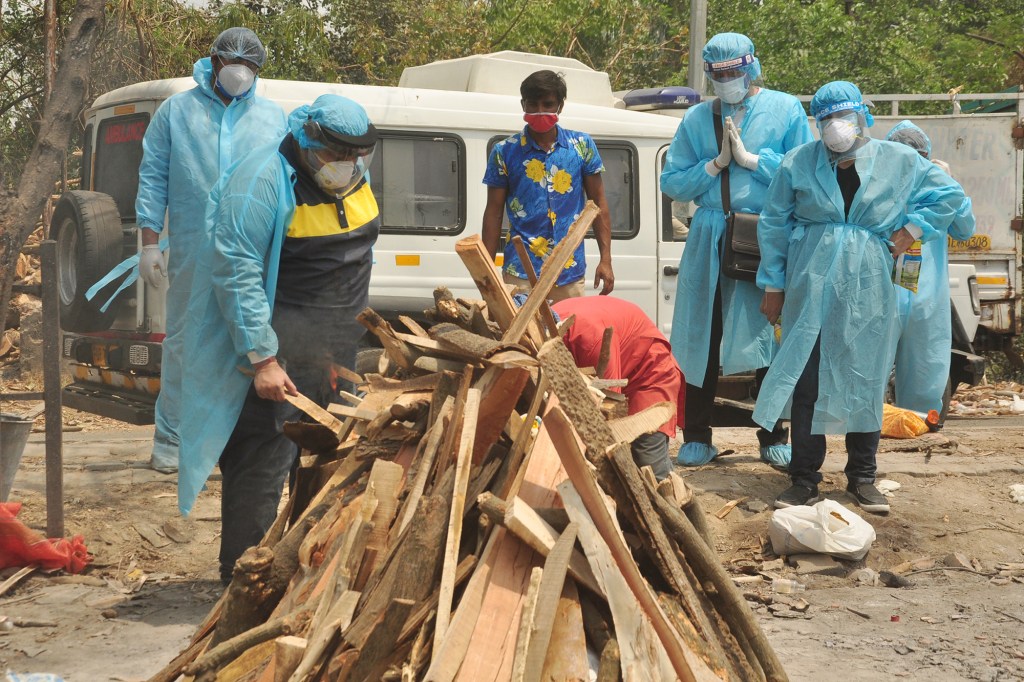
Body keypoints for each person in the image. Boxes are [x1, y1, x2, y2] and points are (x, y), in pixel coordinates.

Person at [175, 95, 380, 584]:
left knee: (327, 461)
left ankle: (307, 572)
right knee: (264, 460)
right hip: (276, 353)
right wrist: (263, 358)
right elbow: (238, 273)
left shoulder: (353, 177)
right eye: (338, 155)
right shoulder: (261, 182)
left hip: (333, 352)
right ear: (308, 140)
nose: (347, 166)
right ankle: (244, 579)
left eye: (357, 155)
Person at [754, 82, 966, 514]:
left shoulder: (898, 160)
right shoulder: (799, 161)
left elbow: (950, 195)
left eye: (844, 117)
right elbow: (773, 223)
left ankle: (862, 477)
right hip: (810, 283)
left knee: (866, 378)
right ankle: (804, 478)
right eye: (827, 119)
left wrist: (915, 228)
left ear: (862, 116)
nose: (837, 127)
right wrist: (773, 286)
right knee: (807, 379)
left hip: (868, 284)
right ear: (817, 123)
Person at [135, 27, 287, 474]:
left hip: (253, 255)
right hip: (194, 251)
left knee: (251, 345)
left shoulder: (273, 118)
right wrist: (148, 244)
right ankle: (172, 441)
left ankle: (235, 445)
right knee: (184, 343)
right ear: (214, 62)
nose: (241, 73)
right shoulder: (175, 113)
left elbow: (283, 184)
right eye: (232, 63)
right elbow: (153, 177)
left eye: (251, 66)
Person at [660, 32, 812, 468]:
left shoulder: (785, 109)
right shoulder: (696, 119)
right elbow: (672, 182)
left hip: (766, 232)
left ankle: (772, 435)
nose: (726, 80)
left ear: (751, 66)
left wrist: (752, 161)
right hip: (709, 233)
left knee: (767, 333)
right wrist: (715, 165)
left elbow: (805, 173)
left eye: (733, 72)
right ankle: (697, 436)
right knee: (700, 335)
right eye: (718, 74)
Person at [482, 70, 614, 303]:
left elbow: (599, 204)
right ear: (523, 104)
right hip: (520, 272)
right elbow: (493, 212)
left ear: (560, 106)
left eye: (548, 104)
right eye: (533, 104)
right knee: (520, 339)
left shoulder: (581, 146)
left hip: (569, 272)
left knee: (568, 338)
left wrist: (606, 260)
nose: (540, 111)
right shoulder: (505, 151)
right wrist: (486, 271)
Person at [885, 120, 976, 417]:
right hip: (885, 292)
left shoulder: (939, 193)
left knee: (926, 364)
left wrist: (954, 188)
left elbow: (964, 230)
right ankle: (866, 431)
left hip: (925, 296)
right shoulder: (881, 186)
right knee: (871, 367)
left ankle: (920, 423)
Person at [552, 296, 685, 481]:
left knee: (649, 464)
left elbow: (610, 407)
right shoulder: (552, 323)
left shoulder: (591, 339)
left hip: (650, 374)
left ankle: (675, 505)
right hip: (625, 366)